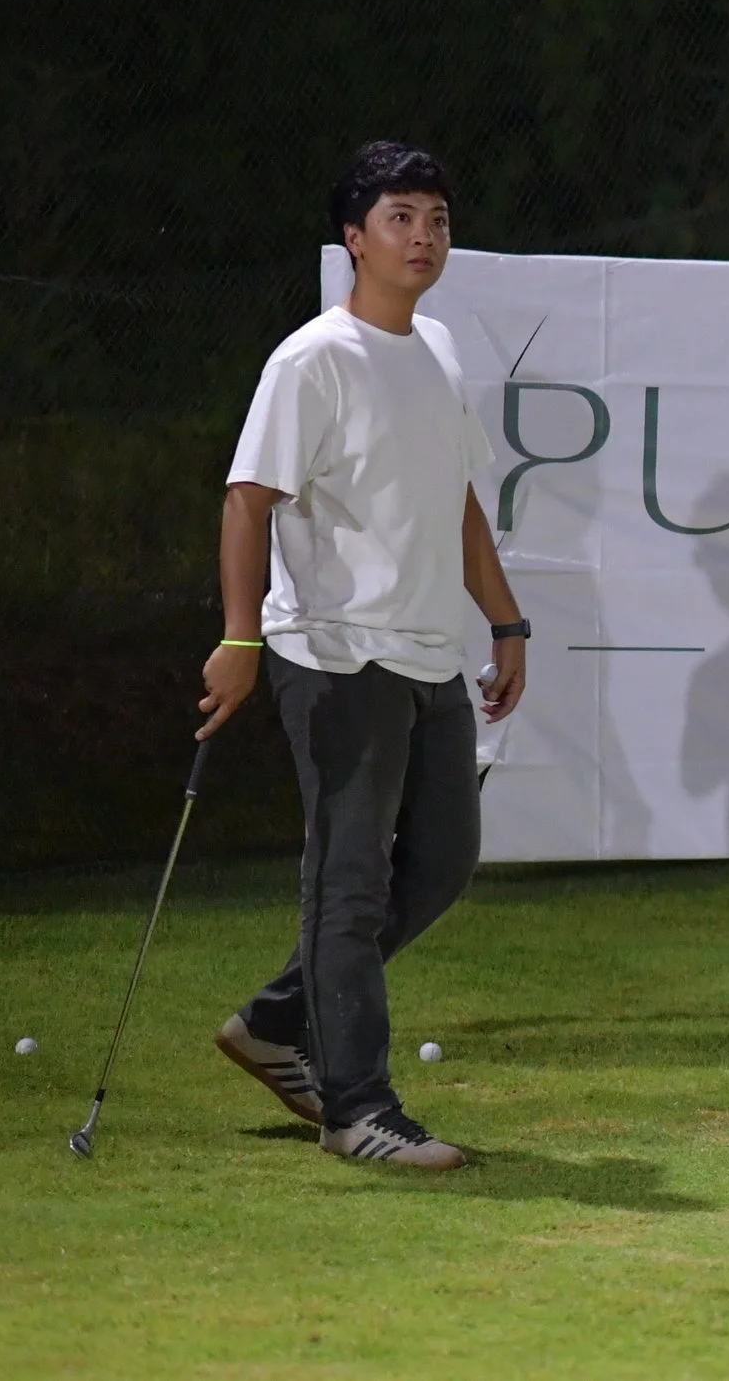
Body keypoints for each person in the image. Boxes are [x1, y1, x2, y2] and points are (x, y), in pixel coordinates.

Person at [196, 142, 529, 1170]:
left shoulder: (434, 349)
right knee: (347, 882)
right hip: (336, 657)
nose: (424, 236)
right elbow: (248, 498)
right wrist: (241, 638)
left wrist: (507, 626)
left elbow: (460, 503)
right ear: (354, 239)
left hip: (431, 657)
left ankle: (274, 1020)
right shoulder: (312, 360)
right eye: (400, 218)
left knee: (438, 865)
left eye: (435, 217)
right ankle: (360, 1109)